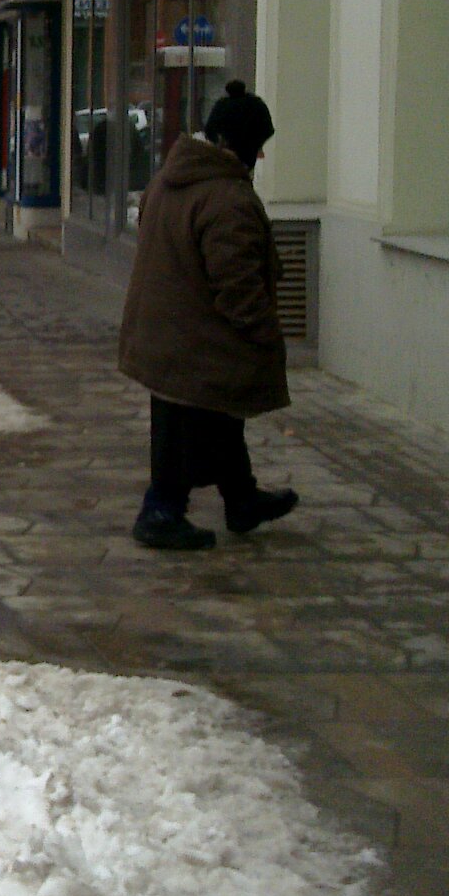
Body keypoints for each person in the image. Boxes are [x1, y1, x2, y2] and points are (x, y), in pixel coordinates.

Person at [116, 80, 298, 552]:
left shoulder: (170, 179)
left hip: (166, 329)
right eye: (257, 146)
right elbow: (236, 285)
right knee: (185, 429)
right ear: (238, 144)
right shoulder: (226, 198)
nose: (260, 156)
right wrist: (266, 334)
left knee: (217, 420)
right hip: (194, 338)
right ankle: (160, 512)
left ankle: (241, 499)